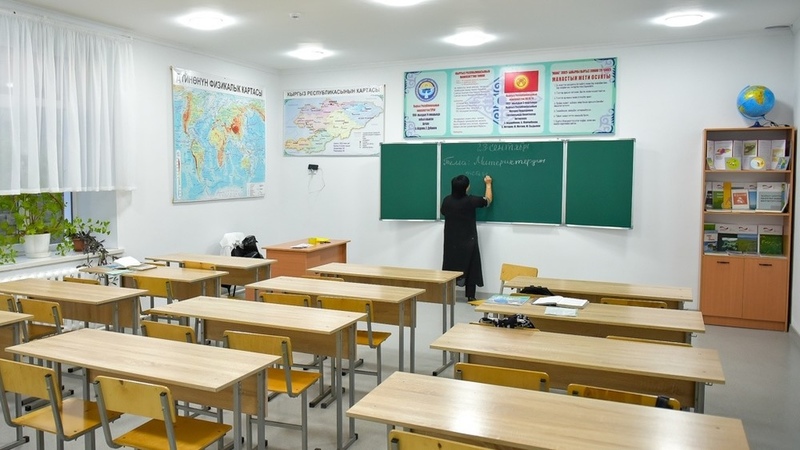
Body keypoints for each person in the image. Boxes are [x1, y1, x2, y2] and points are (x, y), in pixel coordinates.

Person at [441, 174, 493, 301]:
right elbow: (488, 200)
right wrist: (488, 184)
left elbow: (443, 211)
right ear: (467, 187)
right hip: (468, 241)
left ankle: (448, 295)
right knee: (471, 267)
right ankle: (470, 296)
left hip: (451, 242)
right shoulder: (471, 201)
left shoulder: (447, 200)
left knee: (450, 267)